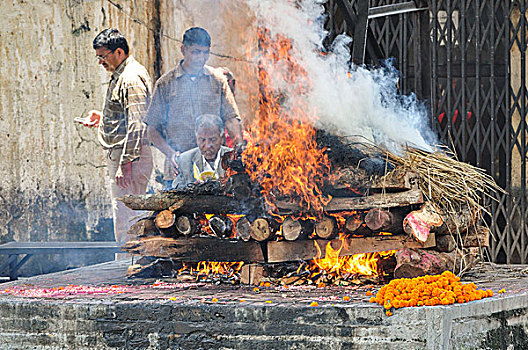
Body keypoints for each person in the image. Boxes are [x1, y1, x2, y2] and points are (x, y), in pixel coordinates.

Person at [78, 28, 153, 246]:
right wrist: (104, 119)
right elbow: (127, 116)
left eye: (103, 56)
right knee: (124, 211)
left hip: (130, 158)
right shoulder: (121, 74)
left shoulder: (131, 78)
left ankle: (129, 265)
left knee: (128, 215)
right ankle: (128, 262)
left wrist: (126, 164)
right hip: (123, 155)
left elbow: (137, 124)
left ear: (118, 52)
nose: (100, 62)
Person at [146, 27, 243, 187]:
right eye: (196, 52)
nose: (201, 58)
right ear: (183, 50)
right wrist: (170, 153)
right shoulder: (165, 84)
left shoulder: (217, 80)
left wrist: (239, 147)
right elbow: (152, 129)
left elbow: (231, 118)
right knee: (177, 211)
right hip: (179, 168)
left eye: (205, 53)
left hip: (217, 168)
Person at [172, 114, 232, 189]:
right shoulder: (184, 160)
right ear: (196, 139)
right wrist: (191, 189)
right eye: (202, 140)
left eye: (213, 140)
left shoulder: (233, 157)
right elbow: (175, 189)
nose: (207, 146)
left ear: (222, 138)